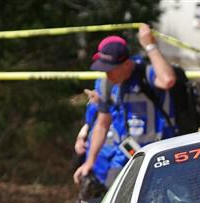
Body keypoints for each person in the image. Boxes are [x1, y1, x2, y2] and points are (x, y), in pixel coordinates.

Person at [73, 24, 177, 188]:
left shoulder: (146, 74)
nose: (107, 74)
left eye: (111, 69)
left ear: (127, 65)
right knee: (113, 198)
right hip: (127, 155)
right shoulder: (107, 84)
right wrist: (90, 162)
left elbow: (167, 80)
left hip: (160, 152)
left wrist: (150, 46)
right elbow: (102, 125)